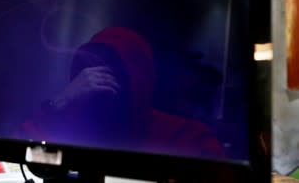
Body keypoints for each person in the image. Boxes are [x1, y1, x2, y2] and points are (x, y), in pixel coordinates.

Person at [22, 27, 225, 159]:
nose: (94, 86)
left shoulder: (186, 137)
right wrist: (61, 100)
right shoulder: (71, 127)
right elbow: (28, 156)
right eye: (84, 77)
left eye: (109, 72)